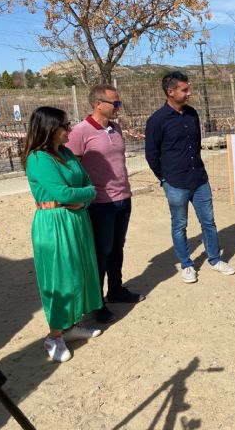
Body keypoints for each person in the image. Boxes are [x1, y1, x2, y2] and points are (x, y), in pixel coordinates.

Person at [22, 106, 103, 362]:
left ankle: (70, 325)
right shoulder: (38, 159)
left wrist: (86, 197)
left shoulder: (65, 152)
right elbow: (63, 194)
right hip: (53, 223)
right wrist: (85, 194)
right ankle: (54, 336)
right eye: (65, 125)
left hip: (77, 220)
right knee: (61, 279)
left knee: (79, 272)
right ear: (50, 129)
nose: (70, 129)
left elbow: (87, 183)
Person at [145, 71, 235, 283]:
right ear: (170, 92)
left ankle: (215, 259)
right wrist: (165, 179)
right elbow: (151, 154)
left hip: (200, 180)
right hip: (175, 183)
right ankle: (186, 264)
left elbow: (195, 145)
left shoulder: (192, 114)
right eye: (184, 90)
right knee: (179, 225)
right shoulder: (157, 120)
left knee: (209, 222)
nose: (189, 93)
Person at [66, 84, 144, 324]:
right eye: (115, 103)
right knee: (100, 252)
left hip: (123, 198)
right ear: (97, 104)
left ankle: (116, 290)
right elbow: (71, 166)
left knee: (117, 247)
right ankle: (96, 302)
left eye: (118, 103)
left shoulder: (116, 128)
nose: (119, 107)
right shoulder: (80, 132)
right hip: (100, 203)